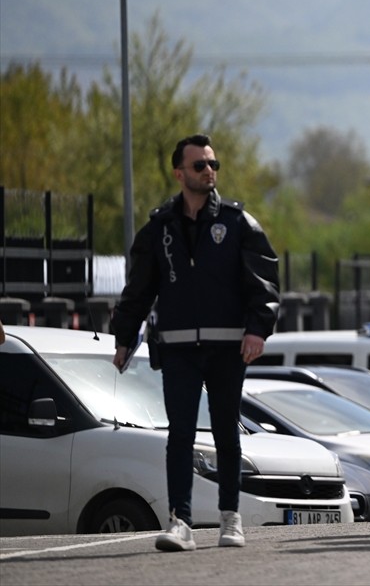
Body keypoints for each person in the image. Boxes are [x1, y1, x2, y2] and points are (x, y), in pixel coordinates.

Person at [109, 133, 279, 552]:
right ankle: (179, 522)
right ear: (179, 172)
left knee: (226, 432)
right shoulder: (160, 227)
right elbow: (139, 288)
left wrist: (258, 328)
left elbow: (265, 281)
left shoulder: (238, 224)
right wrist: (124, 338)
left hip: (227, 348)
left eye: (213, 165)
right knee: (180, 434)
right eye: (201, 165)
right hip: (179, 348)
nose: (209, 172)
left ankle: (229, 519)